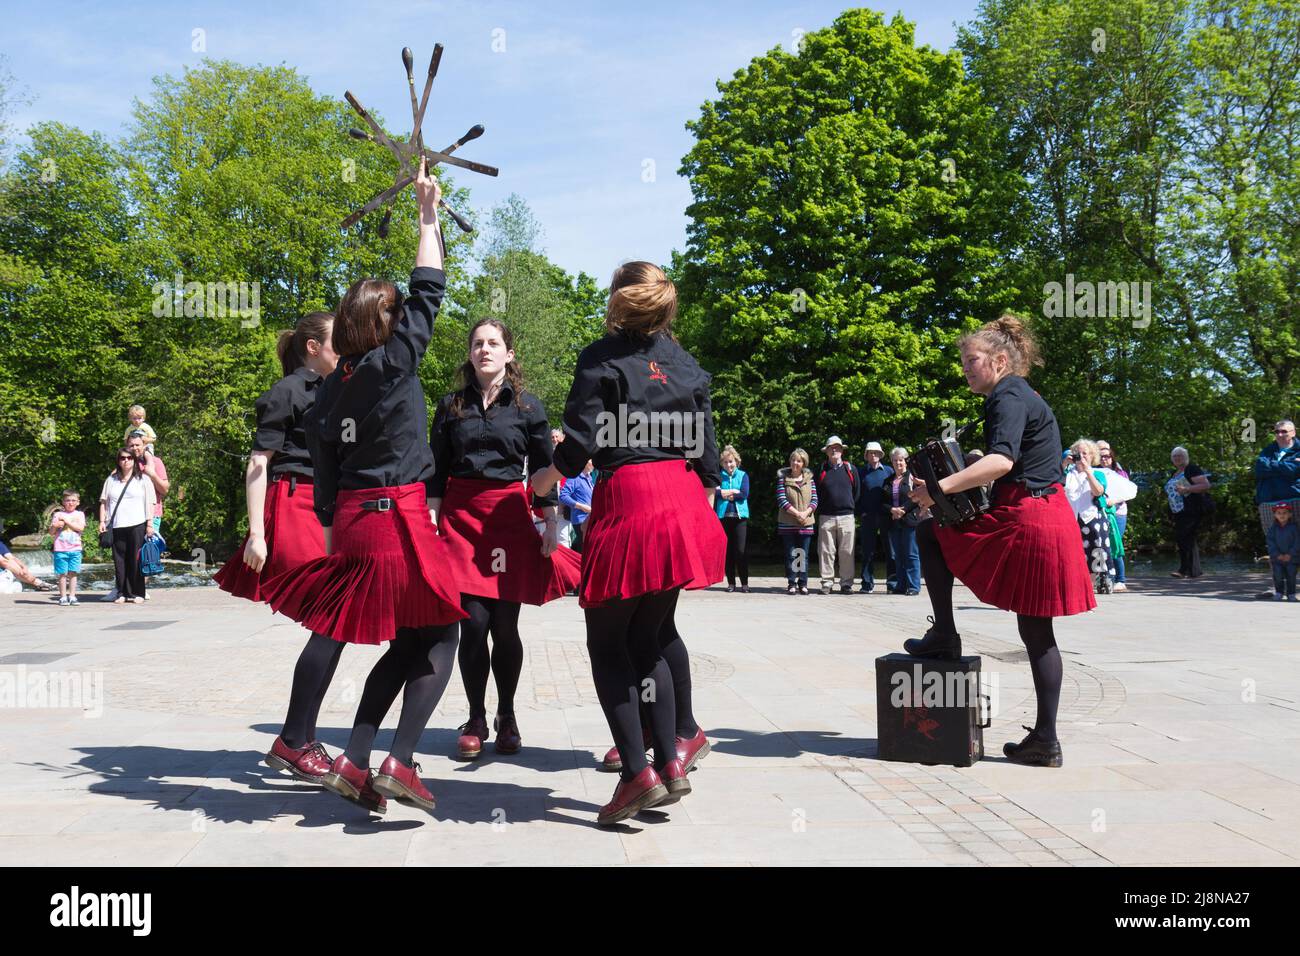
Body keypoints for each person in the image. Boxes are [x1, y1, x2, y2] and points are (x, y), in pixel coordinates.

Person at [261, 159, 466, 816]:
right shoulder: (390, 365)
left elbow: (323, 488)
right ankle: (399, 761)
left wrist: (332, 533)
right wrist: (428, 214)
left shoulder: (327, 394)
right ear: (385, 323)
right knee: (440, 637)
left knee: (405, 640)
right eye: (400, 315)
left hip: (352, 521)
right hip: (396, 516)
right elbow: (430, 286)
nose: (411, 320)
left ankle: (353, 758)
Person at [532, 260, 722, 826]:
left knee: (608, 643)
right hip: (681, 497)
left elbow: (579, 445)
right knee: (652, 638)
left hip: (633, 496)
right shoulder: (687, 363)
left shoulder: (601, 357)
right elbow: (708, 455)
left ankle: (638, 773)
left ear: (620, 301)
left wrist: (543, 481)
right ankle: (670, 765)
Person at [906, 314, 1095, 768]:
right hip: (1046, 516)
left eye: (971, 360)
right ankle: (1045, 740)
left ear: (1000, 359)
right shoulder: (1021, 394)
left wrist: (936, 490)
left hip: (1026, 518)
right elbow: (1009, 454)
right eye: (964, 362)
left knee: (929, 531)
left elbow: (1001, 462)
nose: (965, 369)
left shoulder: (1007, 394)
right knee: (1036, 631)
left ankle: (946, 634)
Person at [430, 318, 581, 761]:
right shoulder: (449, 406)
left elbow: (544, 469)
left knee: (504, 625)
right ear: (470, 353)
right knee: (472, 624)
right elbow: (435, 471)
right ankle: (476, 717)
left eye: (493, 343)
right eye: (477, 343)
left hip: (508, 517)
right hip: (460, 518)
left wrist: (550, 522)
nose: (485, 350)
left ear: (509, 354)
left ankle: (507, 715)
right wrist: (431, 521)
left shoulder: (529, 409)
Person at [212, 311, 352, 787]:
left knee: (336, 624)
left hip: (324, 509)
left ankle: (299, 740)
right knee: (333, 621)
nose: (346, 350)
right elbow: (257, 463)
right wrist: (256, 532)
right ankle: (293, 741)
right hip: (294, 507)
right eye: (339, 342)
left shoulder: (335, 391)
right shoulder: (287, 392)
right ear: (314, 347)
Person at [98, 446, 158, 604]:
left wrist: (150, 523)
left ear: (134, 460)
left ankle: (137, 593)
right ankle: (122, 592)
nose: (125, 461)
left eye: (129, 458)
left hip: (138, 523)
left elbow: (151, 502)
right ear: (118, 461)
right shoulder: (111, 480)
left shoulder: (143, 479)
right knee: (119, 561)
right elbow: (104, 502)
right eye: (122, 458)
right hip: (117, 524)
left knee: (136, 559)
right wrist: (102, 522)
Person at [1065, 439, 1114, 595]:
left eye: (1085, 453)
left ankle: (1092, 586)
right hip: (1071, 518)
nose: (1081, 456)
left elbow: (1098, 491)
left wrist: (1087, 471)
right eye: (1078, 453)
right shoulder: (1067, 474)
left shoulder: (1098, 473)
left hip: (1092, 518)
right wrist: (1063, 464)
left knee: (1096, 552)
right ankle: (1076, 585)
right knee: (1071, 553)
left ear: (1092, 456)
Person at [817, 436, 859, 594]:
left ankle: (846, 583)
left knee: (847, 551)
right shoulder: (821, 469)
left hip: (847, 516)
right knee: (826, 551)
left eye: (837, 447)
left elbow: (857, 491)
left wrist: (849, 506)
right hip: (826, 516)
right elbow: (817, 492)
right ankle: (827, 583)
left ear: (842, 450)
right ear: (826, 451)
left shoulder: (851, 469)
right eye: (831, 448)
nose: (834, 450)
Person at [882, 447, 923, 595]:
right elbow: (883, 502)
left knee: (911, 554)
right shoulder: (888, 480)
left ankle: (913, 586)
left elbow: (917, 497)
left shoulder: (913, 477)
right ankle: (900, 585)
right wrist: (892, 510)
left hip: (910, 520)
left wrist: (903, 509)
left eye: (900, 460)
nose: (898, 463)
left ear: (905, 461)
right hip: (894, 521)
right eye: (895, 460)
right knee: (897, 555)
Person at [776, 448, 818, 594]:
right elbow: (782, 499)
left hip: (806, 523)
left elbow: (815, 500)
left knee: (803, 555)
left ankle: (803, 583)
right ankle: (792, 583)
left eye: (799, 461)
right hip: (788, 523)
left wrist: (805, 513)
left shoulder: (810, 480)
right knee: (791, 554)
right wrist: (796, 513)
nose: (795, 463)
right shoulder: (783, 479)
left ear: (803, 463)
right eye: (793, 460)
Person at [1166, 446, 1211, 579]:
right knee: (1185, 538)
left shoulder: (1192, 469)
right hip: (1178, 511)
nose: (1177, 458)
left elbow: (1205, 485)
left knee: (1185, 537)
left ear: (1185, 457)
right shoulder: (1175, 472)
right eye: (1175, 456)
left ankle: (1185, 569)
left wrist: (1187, 488)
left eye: (1180, 456)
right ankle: (1193, 570)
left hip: (1191, 509)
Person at [857, 441, 895, 593]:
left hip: (886, 516)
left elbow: (894, 492)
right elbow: (856, 494)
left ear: (880, 455)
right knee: (867, 551)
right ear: (866, 455)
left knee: (891, 551)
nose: (873, 455)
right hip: (868, 516)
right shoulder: (861, 472)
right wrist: (861, 512)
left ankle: (892, 584)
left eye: (876, 452)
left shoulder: (888, 471)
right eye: (870, 452)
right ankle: (867, 583)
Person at [1096, 441, 1131, 592]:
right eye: (1101, 456)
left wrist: (1113, 501)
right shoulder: (1095, 472)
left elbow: (1127, 493)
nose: (1104, 459)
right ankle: (1103, 578)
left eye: (1107, 456)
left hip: (1117, 513)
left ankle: (1120, 579)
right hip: (1099, 512)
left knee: (1115, 544)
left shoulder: (1120, 473)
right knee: (1099, 545)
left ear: (1112, 457)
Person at [716, 444, 751, 592]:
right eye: (725, 462)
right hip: (723, 517)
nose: (728, 464)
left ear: (736, 461)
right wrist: (731, 492)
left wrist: (724, 493)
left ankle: (745, 584)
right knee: (728, 552)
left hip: (740, 518)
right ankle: (731, 583)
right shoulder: (718, 476)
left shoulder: (743, 475)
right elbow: (715, 494)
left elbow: (744, 494)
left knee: (740, 551)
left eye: (731, 461)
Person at [50, 490, 86, 606]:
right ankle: (63, 597)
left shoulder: (79, 514)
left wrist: (66, 521)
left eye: (73, 500)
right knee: (62, 573)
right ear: (63, 502)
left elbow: (80, 528)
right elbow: (51, 532)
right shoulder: (57, 515)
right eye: (68, 500)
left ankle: (72, 596)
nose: (70, 503)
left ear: (78, 502)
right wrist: (55, 526)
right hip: (60, 549)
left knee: (73, 573)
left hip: (75, 548)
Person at [559, 459, 595, 551]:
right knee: (584, 549)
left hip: (588, 518)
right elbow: (563, 496)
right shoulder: (574, 478)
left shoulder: (589, 478)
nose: (593, 463)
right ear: (584, 462)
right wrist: (582, 506)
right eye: (591, 460)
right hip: (580, 520)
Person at [1266, 502, 1299, 601]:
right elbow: (1270, 542)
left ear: (1290, 515)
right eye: (1279, 513)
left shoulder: (1294, 527)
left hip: (1292, 558)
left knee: (1291, 575)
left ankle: (1291, 594)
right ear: (1275, 515)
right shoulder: (1273, 528)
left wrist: (1290, 554)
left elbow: (1297, 542)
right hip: (1277, 558)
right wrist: (1277, 554)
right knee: (1278, 575)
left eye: (1285, 513)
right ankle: (1279, 592)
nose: (1282, 515)